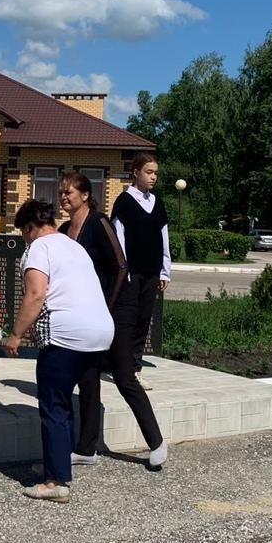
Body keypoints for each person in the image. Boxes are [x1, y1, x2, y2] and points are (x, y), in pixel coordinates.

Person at [2, 200, 114, 503]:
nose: (25, 240)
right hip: (100, 332)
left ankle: (55, 482)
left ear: (29, 228)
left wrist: (15, 335)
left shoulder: (39, 248)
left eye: (23, 234)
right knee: (66, 404)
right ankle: (59, 464)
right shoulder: (74, 246)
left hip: (65, 334)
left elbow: (36, 294)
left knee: (54, 406)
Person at [59, 172, 167, 468]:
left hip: (117, 308)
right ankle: (86, 449)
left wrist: (105, 307)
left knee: (123, 376)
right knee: (88, 377)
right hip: (88, 313)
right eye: (61, 193)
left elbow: (120, 267)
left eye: (68, 192)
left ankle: (156, 442)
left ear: (84, 195)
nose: (63, 197)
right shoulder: (65, 229)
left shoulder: (99, 222)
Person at [110, 153, 171, 377]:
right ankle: (120, 365)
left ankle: (134, 368)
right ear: (136, 172)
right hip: (130, 272)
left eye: (156, 173)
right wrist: (123, 269)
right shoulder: (124, 201)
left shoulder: (157, 202)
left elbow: (163, 236)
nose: (153, 177)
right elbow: (119, 237)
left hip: (151, 271)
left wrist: (165, 271)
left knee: (144, 319)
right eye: (149, 172)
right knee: (126, 319)